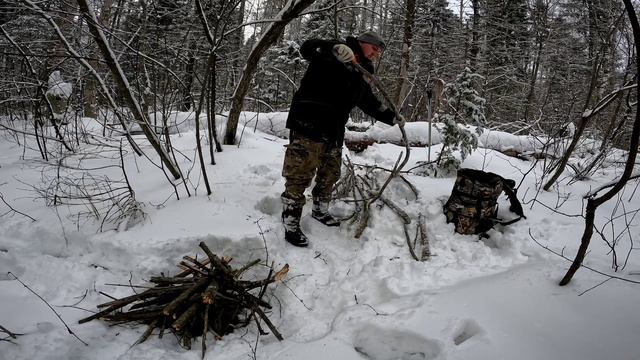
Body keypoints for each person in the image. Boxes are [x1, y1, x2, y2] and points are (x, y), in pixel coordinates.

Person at [281, 30, 406, 247]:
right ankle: (290, 219)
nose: (376, 53)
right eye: (374, 48)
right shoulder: (335, 51)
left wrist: (391, 117)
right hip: (308, 122)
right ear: (362, 43)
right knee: (300, 173)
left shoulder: (361, 70)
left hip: (334, 129)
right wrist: (331, 45)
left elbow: (367, 101)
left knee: (329, 173)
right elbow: (308, 48)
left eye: (379, 51)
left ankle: (320, 210)